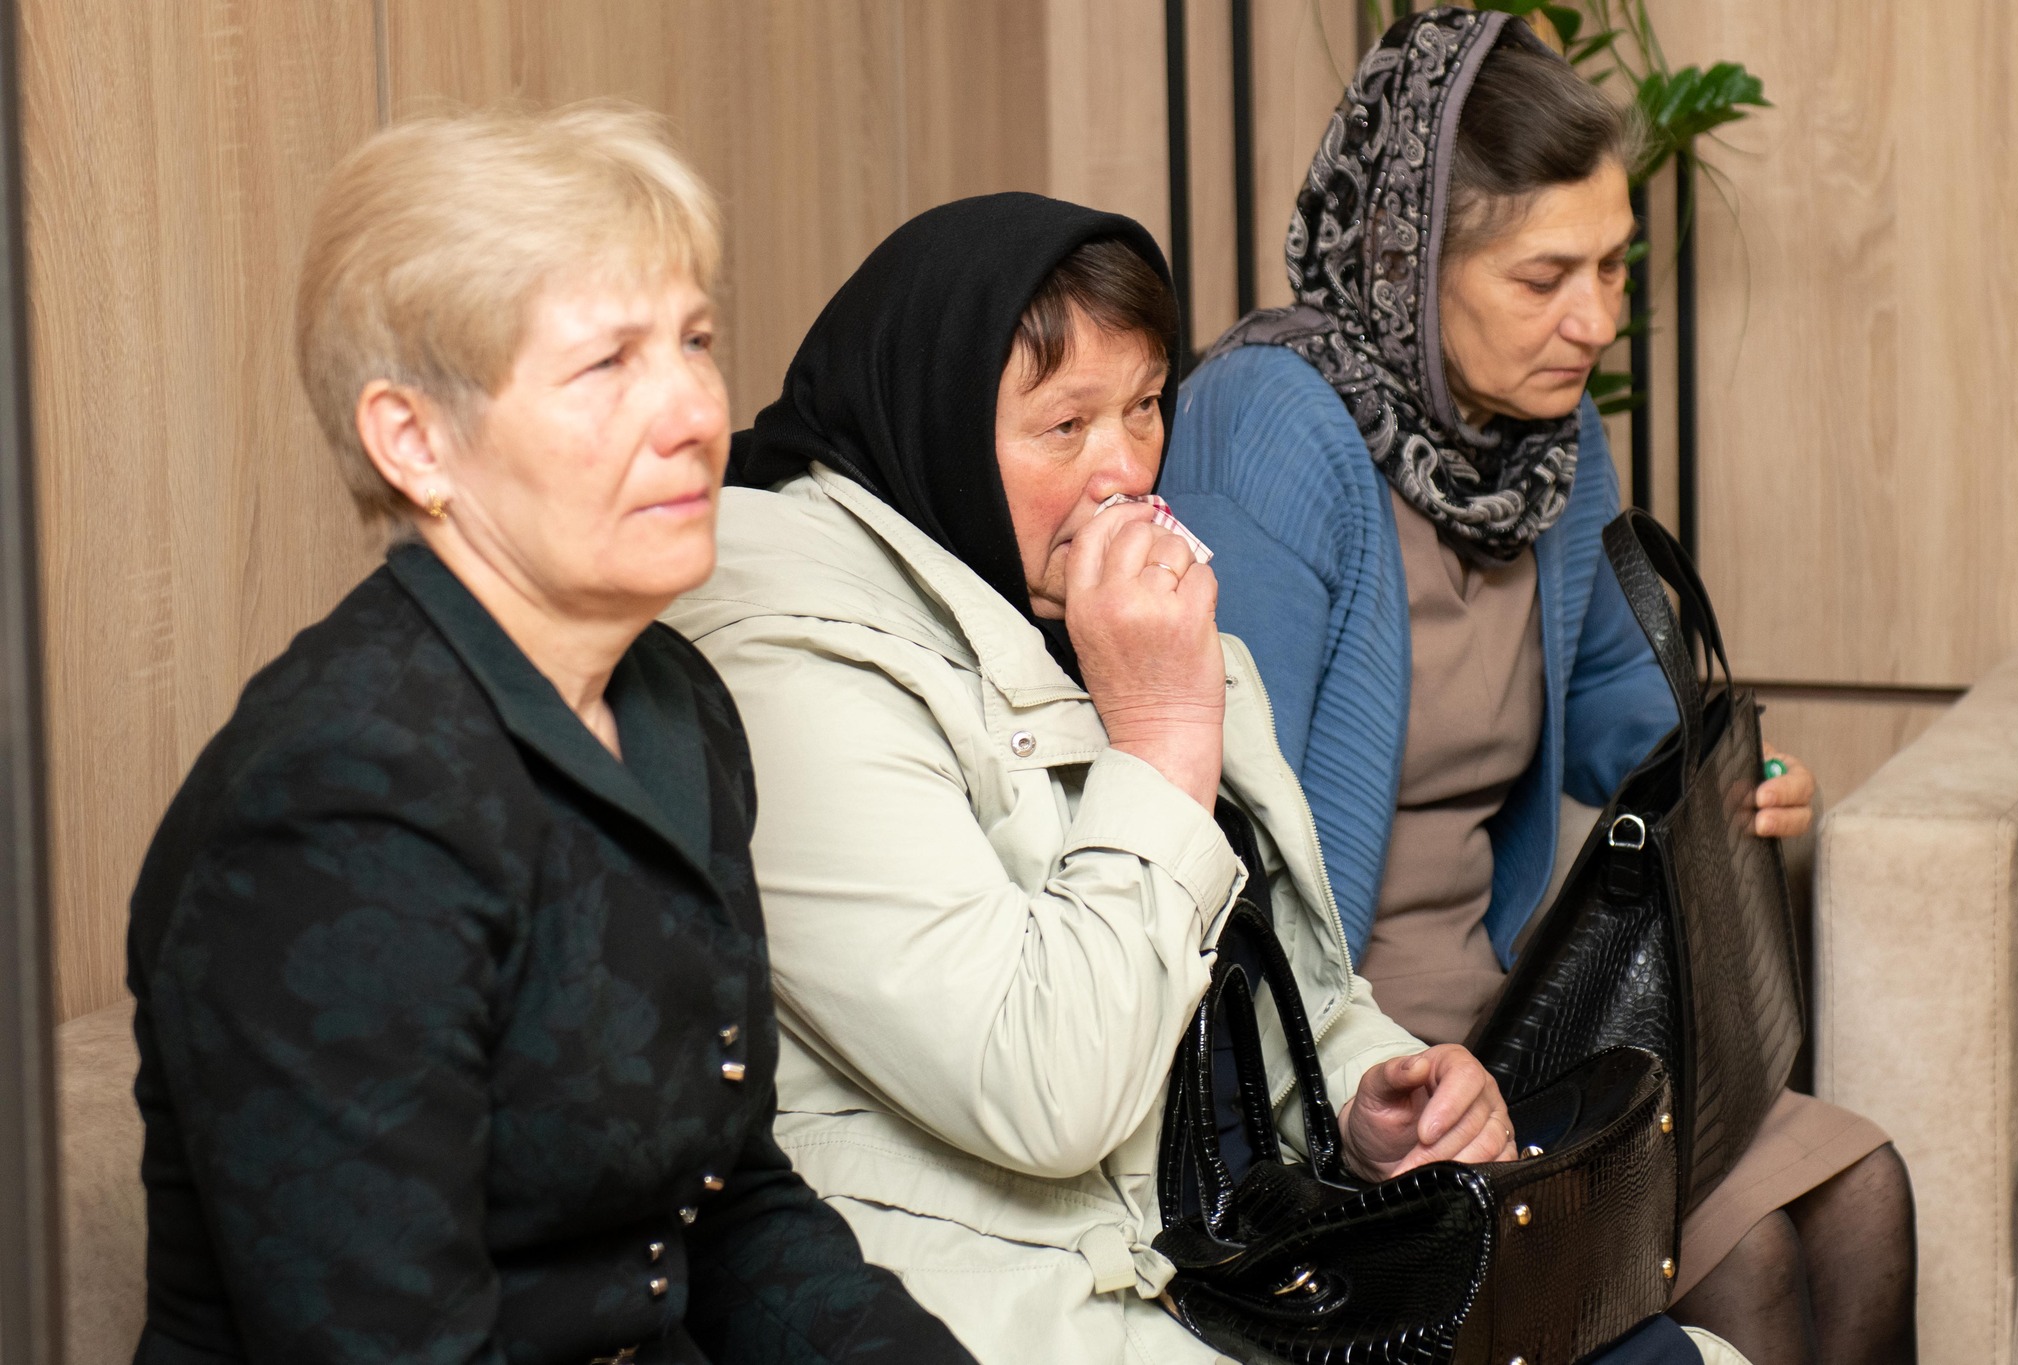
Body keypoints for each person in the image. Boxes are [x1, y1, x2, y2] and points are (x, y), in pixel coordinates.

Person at [662, 193, 1737, 1365]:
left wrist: (1364, 1086)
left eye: (1142, 406)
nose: (1123, 471)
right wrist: (1164, 731)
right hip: (1019, 1297)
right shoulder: (786, 658)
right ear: (931, 427)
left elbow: (1265, 972)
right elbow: (1040, 1090)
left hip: (1239, 1242)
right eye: (1063, 425)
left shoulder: (1106, 610)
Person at [125, 106, 972, 1365]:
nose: (693, 411)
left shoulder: (673, 701)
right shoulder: (340, 796)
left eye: (693, 340)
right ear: (413, 440)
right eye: (607, 364)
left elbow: (731, 1211)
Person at [1157, 10, 1915, 1364]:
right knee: (1750, 1262)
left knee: (1862, 1193)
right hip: (1350, 1068)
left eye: (1613, 266)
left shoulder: (1550, 443)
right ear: (1408, 266)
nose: (1598, 320)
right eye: (1544, 277)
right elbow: (1217, 825)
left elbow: (1625, 715)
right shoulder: (1268, 425)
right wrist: (1363, 1077)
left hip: (1519, 1014)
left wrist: (1735, 778)